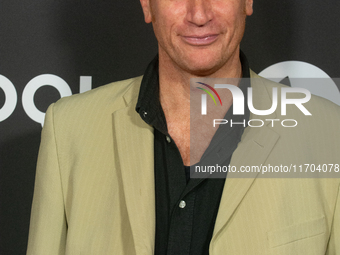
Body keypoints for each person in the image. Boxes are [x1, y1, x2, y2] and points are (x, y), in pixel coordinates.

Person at [27, 0, 340, 254]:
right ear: (147, 6)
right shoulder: (69, 129)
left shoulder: (329, 134)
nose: (199, 14)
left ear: (248, 1)